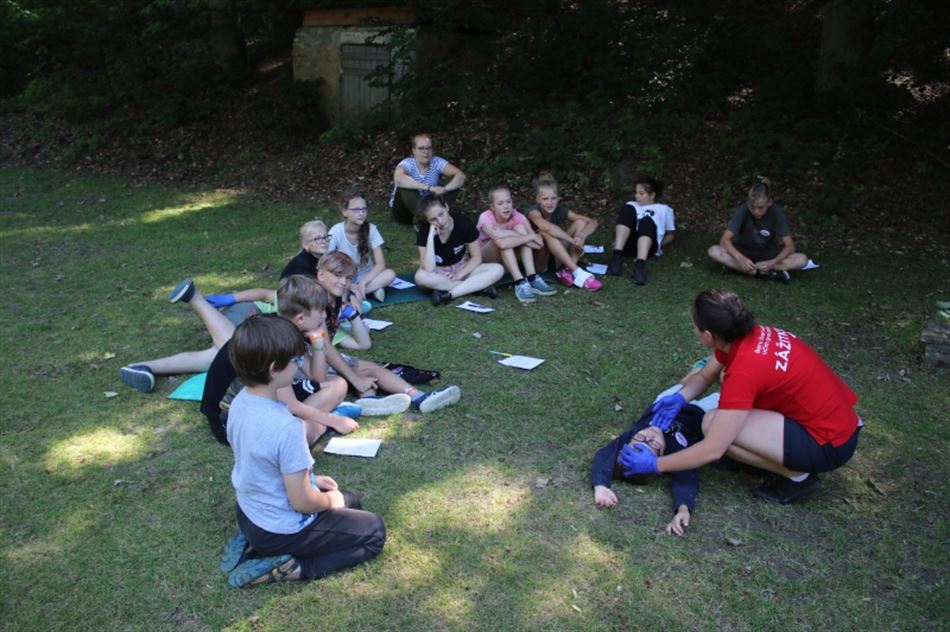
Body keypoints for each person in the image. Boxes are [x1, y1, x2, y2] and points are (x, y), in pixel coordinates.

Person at [619, 289, 863, 504]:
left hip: (828, 443)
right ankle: (764, 456)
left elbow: (712, 450)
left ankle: (798, 476)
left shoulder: (744, 370)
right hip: (835, 424)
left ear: (708, 336)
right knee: (721, 423)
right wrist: (681, 397)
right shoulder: (746, 335)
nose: (693, 329)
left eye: (694, 325)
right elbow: (705, 375)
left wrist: (656, 464)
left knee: (712, 424)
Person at [222, 314, 386, 588]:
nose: (299, 365)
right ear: (274, 369)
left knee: (352, 501)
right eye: (296, 361)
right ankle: (293, 567)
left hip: (248, 512)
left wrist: (312, 479)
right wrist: (330, 501)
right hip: (280, 529)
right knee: (374, 532)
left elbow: (260, 463)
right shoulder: (286, 427)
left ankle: (251, 539)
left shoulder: (239, 402)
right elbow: (302, 503)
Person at [201, 276, 364, 446]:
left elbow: (318, 378)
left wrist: (318, 344)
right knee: (297, 435)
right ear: (300, 318)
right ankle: (318, 425)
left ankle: (309, 421)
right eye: (321, 311)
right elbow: (290, 403)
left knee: (338, 384)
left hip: (263, 399)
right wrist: (333, 421)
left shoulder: (286, 328)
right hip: (231, 418)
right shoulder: (278, 341)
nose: (324, 316)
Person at [316, 252, 463, 414]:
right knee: (360, 372)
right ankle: (382, 398)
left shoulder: (335, 297)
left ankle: (408, 397)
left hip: (318, 355)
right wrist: (354, 378)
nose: (344, 282)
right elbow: (325, 347)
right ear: (321, 275)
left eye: (348, 278)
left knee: (371, 367)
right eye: (338, 276)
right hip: (307, 362)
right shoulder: (315, 302)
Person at [592, 391, 713, 536]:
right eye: (653, 445)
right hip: (701, 413)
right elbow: (685, 480)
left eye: (640, 438)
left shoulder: (631, 436)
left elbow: (605, 455)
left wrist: (600, 486)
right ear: (660, 457)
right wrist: (683, 509)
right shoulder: (674, 455)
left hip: (664, 404)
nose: (649, 435)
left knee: (689, 383)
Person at [706, 178, 808, 283]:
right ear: (748, 203)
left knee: (802, 260)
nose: (756, 211)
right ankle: (763, 273)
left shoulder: (776, 212)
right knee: (714, 251)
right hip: (743, 250)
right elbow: (724, 240)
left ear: (769, 202)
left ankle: (739, 268)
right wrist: (740, 258)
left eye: (760, 207)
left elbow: (790, 246)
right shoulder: (743, 209)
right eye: (752, 207)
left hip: (767, 254)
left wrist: (773, 262)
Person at [414, 195, 505, 306]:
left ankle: (450, 294)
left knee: (498, 269)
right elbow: (428, 268)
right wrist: (430, 237)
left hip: (462, 267)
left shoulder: (463, 222)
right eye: (433, 219)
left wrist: (459, 275)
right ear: (427, 220)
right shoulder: (425, 231)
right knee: (421, 277)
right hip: (439, 273)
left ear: (446, 207)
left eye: (441, 214)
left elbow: (476, 257)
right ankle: (477, 288)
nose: (440, 221)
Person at [477, 185, 557, 303]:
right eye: (500, 203)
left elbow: (538, 244)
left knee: (520, 229)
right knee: (506, 241)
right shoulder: (486, 218)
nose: (506, 206)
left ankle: (532, 277)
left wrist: (515, 234)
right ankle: (519, 282)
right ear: (492, 207)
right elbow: (502, 244)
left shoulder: (517, 216)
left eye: (508, 202)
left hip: (508, 262)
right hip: (486, 261)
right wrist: (526, 237)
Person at [524, 174, 602, 292]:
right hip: (538, 262)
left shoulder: (560, 210)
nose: (550, 202)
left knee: (580, 222)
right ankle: (578, 272)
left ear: (558, 199)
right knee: (544, 232)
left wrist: (581, 236)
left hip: (556, 257)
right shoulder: (533, 212)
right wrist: (572, 241)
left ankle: (569, 270)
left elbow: (593, 222)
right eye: (545, 199)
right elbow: (546, 227)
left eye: (553, 198)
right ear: (538, 199)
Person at [327, 189, 396, 304]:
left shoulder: (371, 229)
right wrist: (347, 283)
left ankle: (354, 293)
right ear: (344, 211)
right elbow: (327, 263)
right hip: (345, 277)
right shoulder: (336, 231)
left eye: (364, 209)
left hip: (367, 275)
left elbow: (380, 264)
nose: (361, 213)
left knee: (390, 274)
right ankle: (369, 290)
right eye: (356, 210)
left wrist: (364, 281)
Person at [606, 176, 675, 285]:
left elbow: (670, 235)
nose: (637, 196)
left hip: (648, 246)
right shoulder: (632, 205)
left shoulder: (664, 209)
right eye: (636, 193)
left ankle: (640, 266)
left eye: (641, 193)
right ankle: (616, 257)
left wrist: (659, 245)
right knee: (628, 208)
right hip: (629, 245)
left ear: (652, 195)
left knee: (646, 220)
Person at [390, 132, 466, 225]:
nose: (426, 152)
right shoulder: (408, 163)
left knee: (453, 179)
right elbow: (398, 178)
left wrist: (445, 189)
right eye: (421, 148)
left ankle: (435, 216)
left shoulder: (436, 162)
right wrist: (429, 188)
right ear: (414, 151)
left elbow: (461, 176)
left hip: (429, 205)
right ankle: (426, 220)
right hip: (405, 212)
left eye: (428, 148)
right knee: (404, 186)